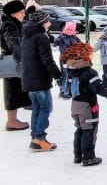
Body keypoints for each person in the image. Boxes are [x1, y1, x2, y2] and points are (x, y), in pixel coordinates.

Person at [61, 43, 107, 166]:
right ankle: (88, 157)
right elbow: (97, 87)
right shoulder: (89, 73)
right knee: (89, 131)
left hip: (75, 105)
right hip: (87, 106)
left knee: (80, 129)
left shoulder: (70, 71)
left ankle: (78, 155)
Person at [20, 10, 61, 151]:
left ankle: (35, 137)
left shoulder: (26, 36)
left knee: (37, 108)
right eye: (48, 21)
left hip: (28, 79)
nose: (50, 23)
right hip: (39, 79)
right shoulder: (40, 37)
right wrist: (58, 74)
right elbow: (47, 60)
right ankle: (39, 137)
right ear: (42, 22)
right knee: (45, 107)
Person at [0, 0, 31, 130]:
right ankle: (11, 121)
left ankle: (13, 120)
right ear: (13, 14)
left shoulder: (14, 23)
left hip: (15, 61)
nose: (24, 14)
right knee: (12, 91)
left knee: (16, 90)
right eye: (21, 12)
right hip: (13, 62)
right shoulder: (9, 25)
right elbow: (14, 44)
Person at [54, 21, 81, 99]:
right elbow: (55, 43)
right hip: (64, 59)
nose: (69, 31)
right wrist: (55, 40)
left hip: (73, 59)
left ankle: (70, 90)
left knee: (71, 74)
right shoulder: (62, 36)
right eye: (68, 29)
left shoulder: (75, 37)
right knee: (65, 74)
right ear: (65, 29)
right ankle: (63, 91)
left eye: (71, 30)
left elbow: (81, 45)